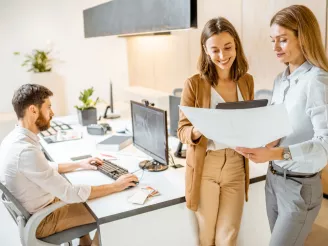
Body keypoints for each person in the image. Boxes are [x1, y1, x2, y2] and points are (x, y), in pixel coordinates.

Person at [0, 84, 138, 246]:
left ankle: (84, 243)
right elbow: (70, 193)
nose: (52, 113)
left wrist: (79, 164)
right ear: (33, 110)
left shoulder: (14, 139)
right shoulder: (26, 152)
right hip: (44, 220)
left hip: (38, 208)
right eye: (48, 107)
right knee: (111, 208)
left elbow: (45, 168)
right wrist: (116, 185)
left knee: (91, 193)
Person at [236, 5, 328, 246]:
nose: (275, 47)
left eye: (283, 40)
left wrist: (275, 152)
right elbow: (282, 128)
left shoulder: (317, 81)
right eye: (272, 40)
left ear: (303, 38)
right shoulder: (281, 79)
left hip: (299, 186)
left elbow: (325, 144)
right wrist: (261, 139)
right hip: (274, 180)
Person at [178, 17, 254, 246]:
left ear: (236, 45)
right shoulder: (194, 84)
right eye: (215, 50)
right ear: (205, 50)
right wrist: (198, 129)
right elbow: (181, 130)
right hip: (206, 167)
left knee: (228, 236)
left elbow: (249, 123)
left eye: (228, 47)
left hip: (236, 164)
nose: (222, 56)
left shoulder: (246, 81)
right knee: (206, 237)